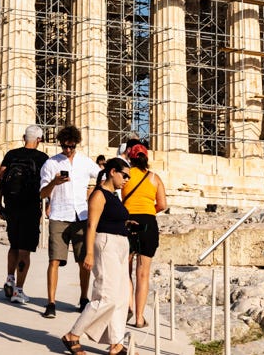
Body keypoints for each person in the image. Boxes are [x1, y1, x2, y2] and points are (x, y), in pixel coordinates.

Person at [60, 158, 132, 355]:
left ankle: (116, 343)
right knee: (106, 295)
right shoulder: (99, 194)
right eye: (124, 175)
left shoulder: (114, 195)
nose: (127, 180)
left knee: (121, 297)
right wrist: (89, 253)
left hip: (120, 244)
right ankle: (73, 334)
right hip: (106, 244)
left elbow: (112, 218)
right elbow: (91, 225)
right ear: (112, 172)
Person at [38, 125, 101, 319]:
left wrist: (97, 195)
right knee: (54, 260)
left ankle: (83, 298)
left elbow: (103, 177)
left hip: (81, 215)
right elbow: (42, 193)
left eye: (71, 146)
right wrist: (54, 183)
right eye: (64, 146)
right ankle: (51, 302)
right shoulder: (51, 163)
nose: (67, 150)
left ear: (76, 144)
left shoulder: (85, 162)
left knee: (83, 262)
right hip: (59, 215)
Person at [0, 124, 49, 305]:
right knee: (25, 251)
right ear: (39, 139)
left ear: (24, 138)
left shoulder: (11, 155)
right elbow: (48, 185)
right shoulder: (42, 159)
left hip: (12, 206)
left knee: (14, 246)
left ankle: (10, 278)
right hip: (30, 208)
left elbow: (0, 181)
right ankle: (18, 290)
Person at [122, 143, 167, 329]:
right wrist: (148, 212)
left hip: (127, 221)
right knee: (143, 273)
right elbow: (162, 205)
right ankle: (139, 318)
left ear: (130, 158)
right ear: (146, 158)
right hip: (148, 223)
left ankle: (128, 306)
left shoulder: (125, 175)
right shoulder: (155, 178)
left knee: (125, 270)